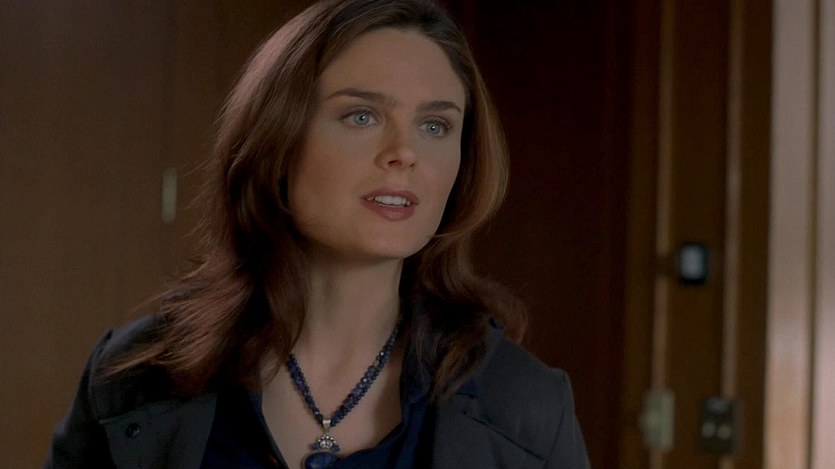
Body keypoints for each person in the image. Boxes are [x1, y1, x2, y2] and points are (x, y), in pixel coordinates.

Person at [45, 0, 589, 468]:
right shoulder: (132, 376)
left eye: (435, 125)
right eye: (361, 116)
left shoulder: (526, 406)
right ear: (278, 141)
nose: (405, 152)